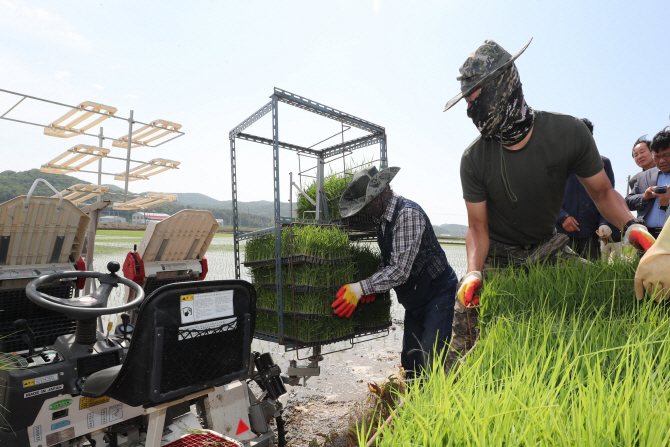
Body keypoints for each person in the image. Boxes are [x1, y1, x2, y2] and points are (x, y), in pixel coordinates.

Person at [442, 38, 656, 371]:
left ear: (504, 85)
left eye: (476, 98)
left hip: (548, 246)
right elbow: (477, 227)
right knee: (464, 332)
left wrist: (632, 226)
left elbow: (602, 193)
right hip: (497, 253)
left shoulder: (567, 133)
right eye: (467, 103)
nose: (472, 110)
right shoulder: (474, 159)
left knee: (605, 293)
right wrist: (472, 272)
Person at [331, 166, 458, 380]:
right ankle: (415, 406)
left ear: (382, 192)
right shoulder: (382, 221)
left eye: (367, 204)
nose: (365, 211)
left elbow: (400, 270)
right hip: (415, 301)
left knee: (431, 357)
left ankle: (438, 408)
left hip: (438, 295)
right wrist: (373, 282)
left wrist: (361, 288)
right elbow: (390, 260)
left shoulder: (408, 214)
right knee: (411, 361)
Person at [556, 119, 621, 261]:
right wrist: (562, 217)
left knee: (591, 273)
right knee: (561, 274)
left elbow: (607, 195)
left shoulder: (603, 163)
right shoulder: (556, 163)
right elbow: (547, 195)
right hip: (562, 231)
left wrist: (604, 223)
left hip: (592, 232)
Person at [625, 128, 670, 239]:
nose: (661, 161)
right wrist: (644, 197)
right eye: (657, 157)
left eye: (666, 155)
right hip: (648, 235)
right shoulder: (645, 176)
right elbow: (627, 202)